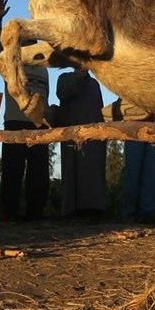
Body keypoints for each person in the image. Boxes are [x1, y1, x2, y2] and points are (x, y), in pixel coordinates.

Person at [0, 0, 50, 222]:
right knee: (13, 171)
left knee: (40, 172)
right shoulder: (10, 57)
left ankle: (35, 213)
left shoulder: (43, 61)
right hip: (15, 121)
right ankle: (9, 213)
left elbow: (45, 94)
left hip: (40, 124)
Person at [56, 68, 107, 218]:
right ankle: (71, 210)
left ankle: (93, 209)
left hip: (93, 137)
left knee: (92, 172)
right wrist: (77, 78)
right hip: (72, 134)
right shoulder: (64, 78)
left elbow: (99, 110)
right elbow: (62, 94)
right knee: (72, 172)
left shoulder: (94, 84)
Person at [107, 100, 155, 224]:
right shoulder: (131, 86)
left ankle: (147, 212)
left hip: (154, 129)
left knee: (150, 174)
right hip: (134, 130)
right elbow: (123, 107)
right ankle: (128, 212)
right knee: (133, 172)